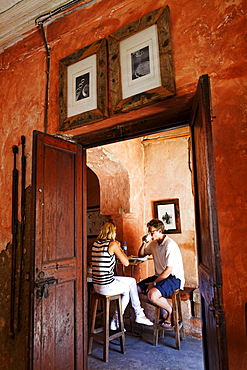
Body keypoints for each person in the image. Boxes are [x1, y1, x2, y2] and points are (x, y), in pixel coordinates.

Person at [91, 222, 153, 330]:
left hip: (96, 284)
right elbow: (126, 263)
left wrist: (120, 252)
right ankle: (117, 320)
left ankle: (139, 314)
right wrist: (119, 248)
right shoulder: (113, 244)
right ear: (112, 232)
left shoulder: (96, 244)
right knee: (128, 289)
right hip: (106, 285)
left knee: (132, 281)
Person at [137, 219, 185, 328]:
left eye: (152, 232)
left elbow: (168, 270)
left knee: (152, 294)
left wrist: (154, 283)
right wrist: (144, 242)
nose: (150, 234)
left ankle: (171, 312)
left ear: (160, 231)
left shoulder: (169, 245)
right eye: (149, 232)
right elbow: (141, 255)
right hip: (159, 276)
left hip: (173, 278)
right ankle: (164, 310)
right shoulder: (154, 244)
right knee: (134, 291)